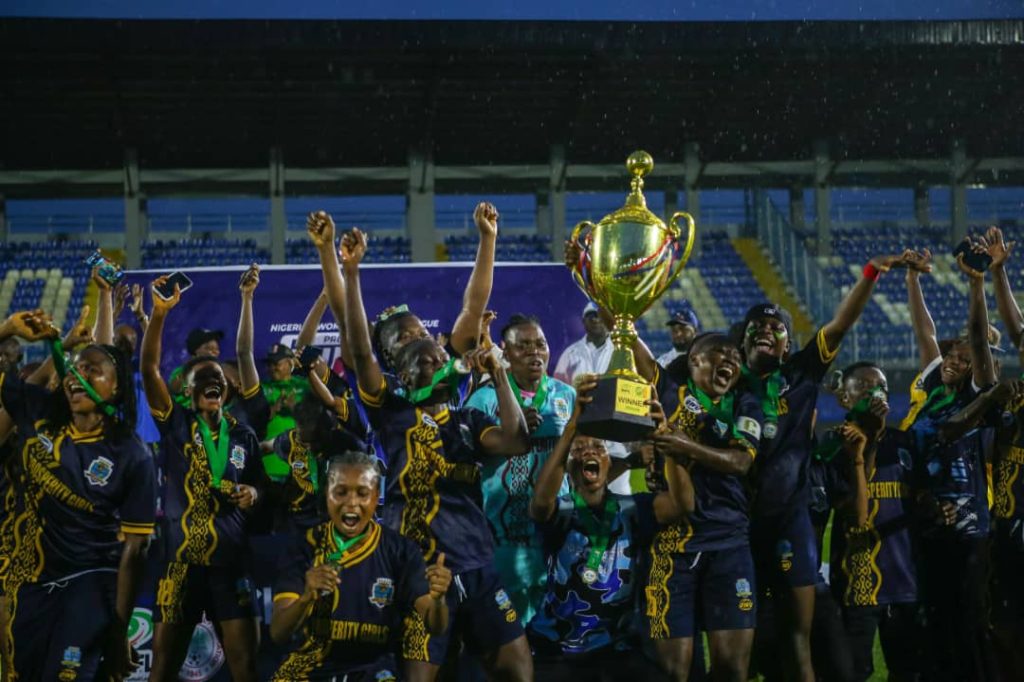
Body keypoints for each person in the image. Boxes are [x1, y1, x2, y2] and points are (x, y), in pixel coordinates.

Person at [339, 225, 533, 682]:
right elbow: (360, 347)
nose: (422, 351)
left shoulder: (468, 419)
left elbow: (517, 440)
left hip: (478, 562)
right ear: (397, 372)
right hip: (418, 568)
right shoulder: (389, 410)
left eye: (426, 343)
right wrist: (351, 271)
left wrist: (500, 374)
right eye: (406, 348)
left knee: (518, 670)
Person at [741, 250, 928, 682]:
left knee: (798, 643)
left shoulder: (802, 373)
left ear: (789, 344)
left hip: (789, 522)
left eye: (778, 328)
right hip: (737, 524)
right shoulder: (726, 376)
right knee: (745, 648)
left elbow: (840, 324)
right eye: (759, 325)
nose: (768, 331)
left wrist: (869, 275)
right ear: (743, 338)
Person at [0, 309, 156, 682]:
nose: (78, 376)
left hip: (89, 582)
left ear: (116, 387)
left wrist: (119, 632)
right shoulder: (37, 411)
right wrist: (5, 330)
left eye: (93, 370)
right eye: (77, 368)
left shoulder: (131, 454)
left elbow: (136, 550)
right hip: (30, 585)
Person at [140, 275, 267, 682]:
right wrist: (159, 315)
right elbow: (148, 368)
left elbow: (261, 488)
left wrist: (253, 492)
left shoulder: (243, 433)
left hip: (230, 564)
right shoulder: (175, 424)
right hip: (180, 564)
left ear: (227, 390)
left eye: (218, 377)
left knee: (245, 665)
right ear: (188, 392)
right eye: (201, 377)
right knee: (163, 666)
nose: (212, 380)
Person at [527, 374, 692, 681]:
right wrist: (573, 426)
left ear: (608, 461)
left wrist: (665, 436)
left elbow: (681, 504)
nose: (589, 451)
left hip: (615, 649)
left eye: (598, 447)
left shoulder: (633, 508)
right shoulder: (560, 511)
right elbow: (539, 503)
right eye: (579, 449)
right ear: (569, 467)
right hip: (555, 649)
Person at [639, 332, 764, 682]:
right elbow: (629, 335)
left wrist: (682, 445)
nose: (731, 361)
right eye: (720, 354)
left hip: (728, 543)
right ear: (695, 360)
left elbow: (741, 462)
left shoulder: (745, 403)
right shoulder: (668, 391)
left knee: (732, 670)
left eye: (735, 358)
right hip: (672, 547)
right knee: (672, 673)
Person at [901, 241, 998, 682]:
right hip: (923, 519)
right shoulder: (928, 390)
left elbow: (978, 342)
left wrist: (976, 285)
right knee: (931, 618)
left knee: (968, 619)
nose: (951, 364)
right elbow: (925, 333)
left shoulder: (975, 397)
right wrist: (912, 278)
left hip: (967, 523)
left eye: (962, 361)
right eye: (950, 357)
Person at [270, 451, 453, 681]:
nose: (351, 503)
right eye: (341, 492)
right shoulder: (304, 547)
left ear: (376, 497)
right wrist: (306, 597)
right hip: (311, 665)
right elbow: (278, 633)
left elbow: (436, 627)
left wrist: (438, 600)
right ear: (327, 494)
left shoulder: (400, 551)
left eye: (362, 493)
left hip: (373, 667)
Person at [465, 313, 576, 625]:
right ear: (506, 353)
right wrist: (510, 432)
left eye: (540, 344)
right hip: (503, 538)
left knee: (556, 631)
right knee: (505, 635)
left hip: (556, 534)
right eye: (523, 346)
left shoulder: (566, 396)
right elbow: (467, 457)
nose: (535, 352)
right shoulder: (484, 400)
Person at [819, 363, 924, 682]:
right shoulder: (832, 444)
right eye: (863, 386)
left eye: (879, 386)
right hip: (856, 583)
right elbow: (851, 510)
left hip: (906, 582)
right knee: (853, 671)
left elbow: (918, 501)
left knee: (909, 671)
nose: (873, 392)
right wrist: (870, 443)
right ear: (844, 400)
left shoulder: (905, 442)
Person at [960, 225, 1024, 678]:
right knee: (1003, 631)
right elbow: (998, 338)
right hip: (1008, 532)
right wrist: (991, 277)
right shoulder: (1013, 398)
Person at [553, 302, 612, 386]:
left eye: (600, 316)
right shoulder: (570, 354)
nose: (596, 319)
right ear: (583, 321)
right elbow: (557, 389)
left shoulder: (620, 350)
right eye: (591, 316)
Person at [168, 327, 225, 406]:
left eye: (217, 349)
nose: (215, 352)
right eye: (209, 348)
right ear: (196, 351)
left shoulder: (219, 373)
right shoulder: (182, 371)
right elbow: (175, 389)